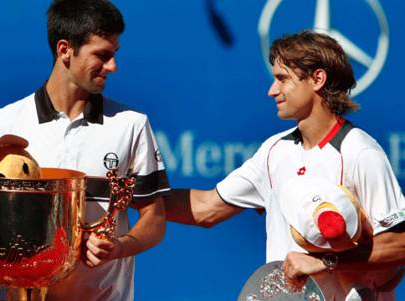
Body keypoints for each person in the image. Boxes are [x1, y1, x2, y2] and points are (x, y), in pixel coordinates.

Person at [0, 0, 169, 300]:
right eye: (102, 55)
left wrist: (119, 247)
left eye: (114, 54)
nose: (113, 66)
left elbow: (154, 219)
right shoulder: (2, 123)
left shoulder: (132, 125)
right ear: (65, 50)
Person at [165, 30, 405, 300]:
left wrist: (326, 261)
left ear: (317, 79)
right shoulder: (273, 151)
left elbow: (400, 244)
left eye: (282, 79)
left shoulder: (359, 151)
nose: (271, 90)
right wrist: (132, 195)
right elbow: (205, 208)